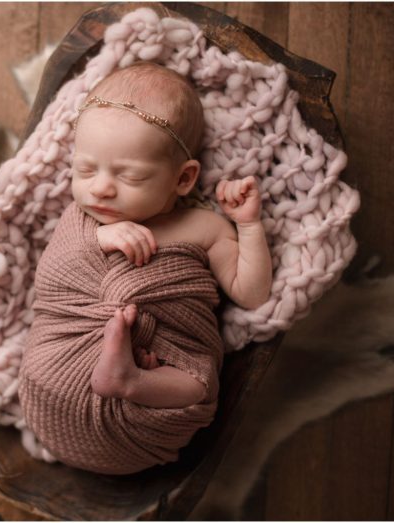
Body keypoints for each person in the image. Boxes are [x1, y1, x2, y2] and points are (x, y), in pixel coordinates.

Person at [17, 62, 273, 474]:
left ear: (183, 179)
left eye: (130, 177)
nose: (101, 188)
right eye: (85, 169)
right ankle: (126, 375)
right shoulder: (83, 221)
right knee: (200, 384)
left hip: (143, 423)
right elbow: (50, 282)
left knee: (199, 384)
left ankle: (133, 381)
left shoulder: (205, 228)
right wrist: (99, 240)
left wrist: (249, 226)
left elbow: (252, 292)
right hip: (55, 379)